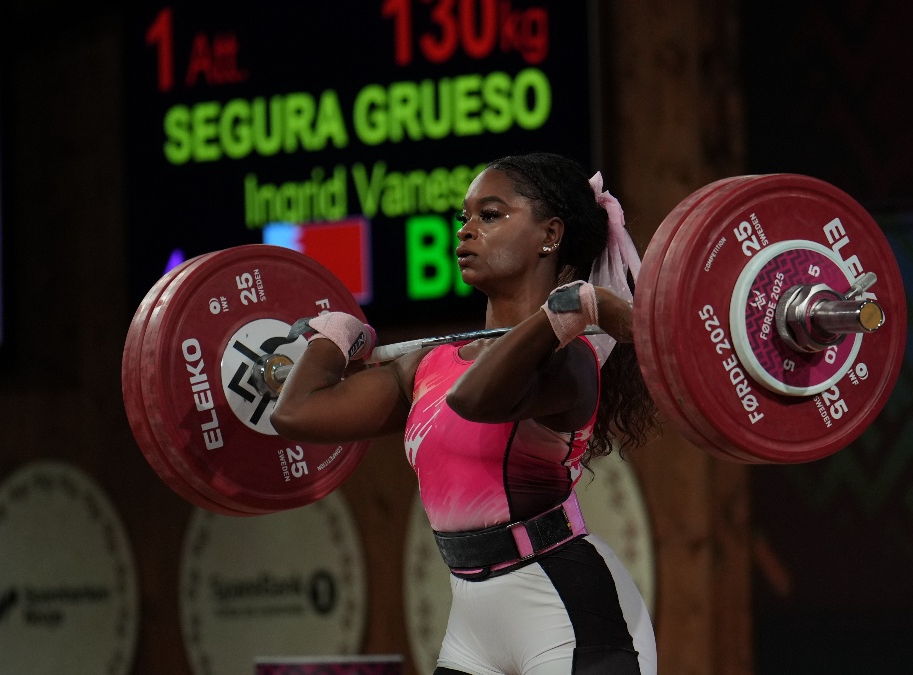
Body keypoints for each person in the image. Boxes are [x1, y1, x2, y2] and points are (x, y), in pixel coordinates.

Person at [271, 152, 660, 674]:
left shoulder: (572, 363)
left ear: (550, 234)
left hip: (569, 606)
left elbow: (475, 400)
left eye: (491, 215)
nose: (466, 231)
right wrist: (337, 336)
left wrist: (571, 313)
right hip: (472, 619)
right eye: (465, 217)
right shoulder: (425, 367)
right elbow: (296, 413)